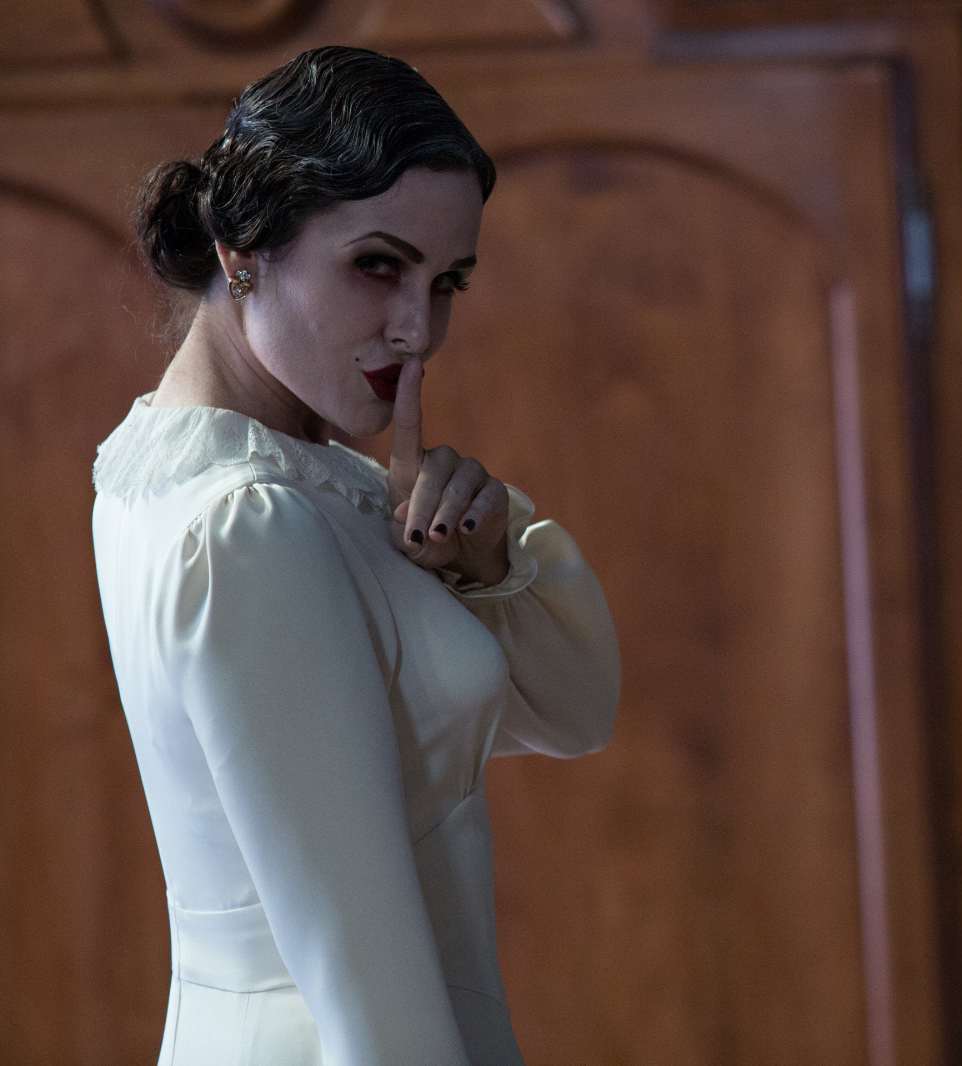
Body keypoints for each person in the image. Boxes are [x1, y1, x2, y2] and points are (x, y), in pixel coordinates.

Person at [90, 45, 620, 1065]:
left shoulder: (179, 467)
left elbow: (573, 716)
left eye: (447, 280)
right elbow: (365, 991)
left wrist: (484, 570)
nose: (418, 330)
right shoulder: (248, 524)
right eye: (378, 264)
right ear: (241, 250)